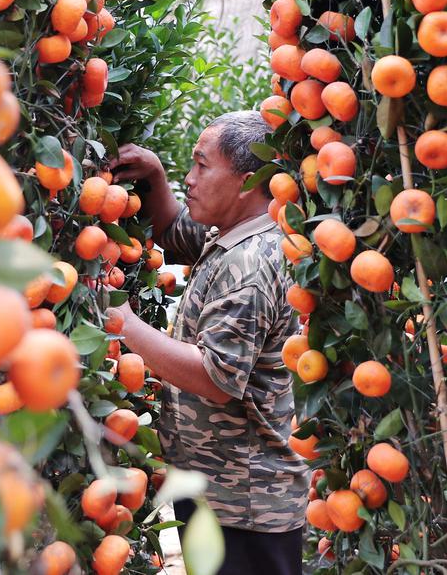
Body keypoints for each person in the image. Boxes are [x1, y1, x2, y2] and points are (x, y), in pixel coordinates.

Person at [109, 110, 308, 575]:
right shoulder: (236, 232)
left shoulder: (253, 263)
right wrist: (155, 176)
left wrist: (128, 326)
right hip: (221, 490)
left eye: (202, 165)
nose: (189, 177)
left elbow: (216, 377)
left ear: (246, 181)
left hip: (247, 504)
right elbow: (176, 232)